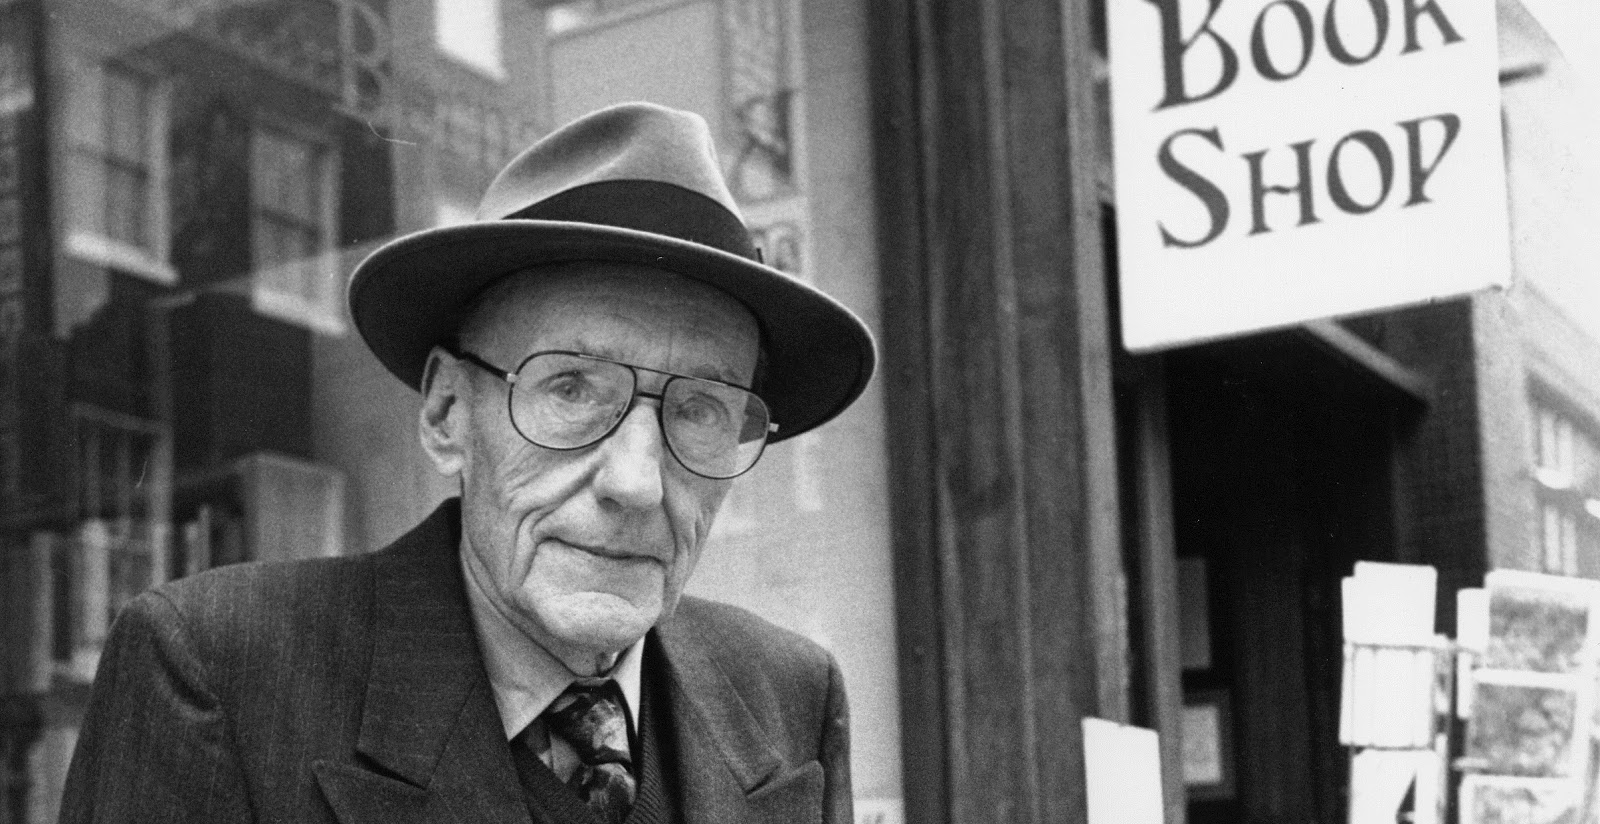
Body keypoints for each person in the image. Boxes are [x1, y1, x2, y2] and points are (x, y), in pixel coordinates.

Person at [58, 101, 876, 824]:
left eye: (699, 409)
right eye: (571, 389)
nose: (635, 483)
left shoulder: (789, 696)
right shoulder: (219, 675)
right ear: (448, 412)